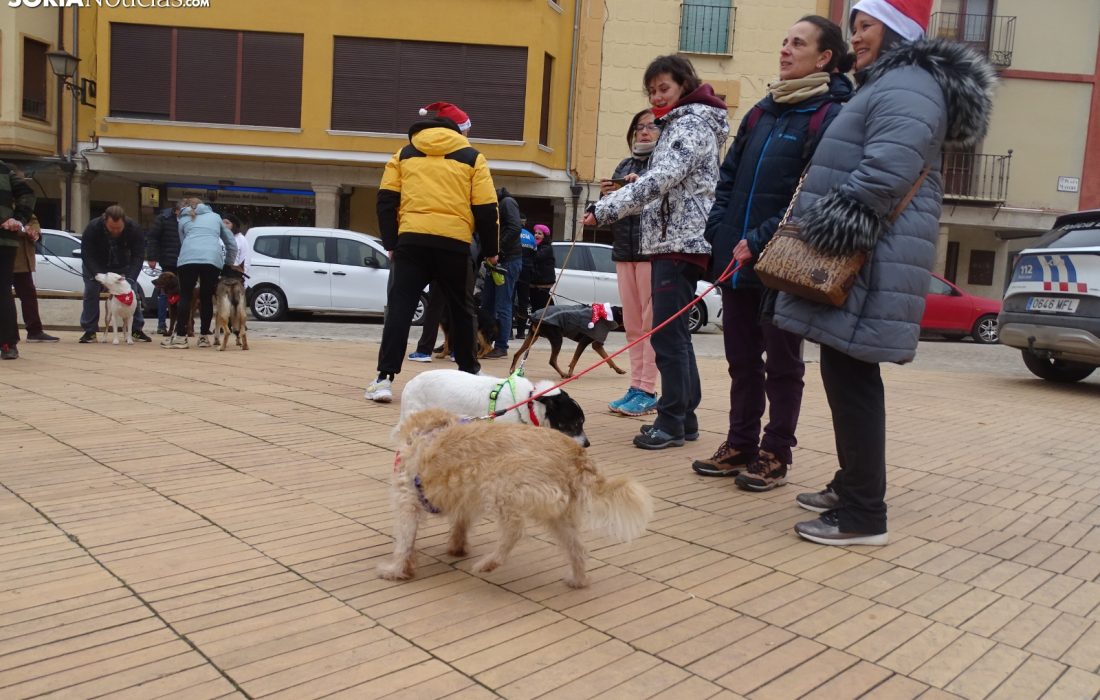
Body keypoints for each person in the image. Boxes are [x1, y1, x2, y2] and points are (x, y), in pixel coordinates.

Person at [771, 0, 995, 545]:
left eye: (866, 26)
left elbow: (888, 168)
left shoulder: (909, 84)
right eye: (855, 27)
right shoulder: (896, 81)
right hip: (874, 253)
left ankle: (864, 515)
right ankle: (851, 488)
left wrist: (828, 226)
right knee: (846, 374)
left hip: (869, 254)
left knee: (854, 382)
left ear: (897, 30)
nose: (857, 38)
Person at [696, 16, 853, 488]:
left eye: (797, 44)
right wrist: (719, 228)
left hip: (783, 262)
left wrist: (760, 238)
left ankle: (775, 453)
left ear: (824, 58)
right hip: (736, 257)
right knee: (741, 360)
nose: (785, 50)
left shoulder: (830, 115)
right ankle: (740, 443)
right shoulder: (761, 112)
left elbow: (815, 193)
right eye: (784, 41)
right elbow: (728, 177)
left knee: (783, 365)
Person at [584, 55, 729, 449]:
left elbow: (662, 178)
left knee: (666, 336)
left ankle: (671, 422)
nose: (657, 96)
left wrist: (606, 209)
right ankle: (686, 417)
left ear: (684, 84)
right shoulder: (681, 124)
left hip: (679, 241)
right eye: (651, 91)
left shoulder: (690, 124)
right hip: (673, 239)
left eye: (663, 88)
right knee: (674, 334)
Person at [365, 101, 498, 402]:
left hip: (411, 240)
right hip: (454, 242)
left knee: (400, 309)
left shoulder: (404, 154)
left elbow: (386, 200)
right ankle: (470, 374)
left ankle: (384, 379)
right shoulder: (473, 157)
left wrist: (390, 242)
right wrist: (491, 250)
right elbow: (487, 208)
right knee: (461, 309)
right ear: (458, 131)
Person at [603, 109, 660, 417]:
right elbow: (614, 209)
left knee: (650, 326)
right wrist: (608, 197)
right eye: (639, 127)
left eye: (651, 126)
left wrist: (633, 190)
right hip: (624, 251)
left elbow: (662, 204)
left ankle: (648, 389)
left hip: (651, 252)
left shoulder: (663, 165)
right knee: (634, 326)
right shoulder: (625, 165)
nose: (644, 132)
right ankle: (636, 385)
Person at [162, 198, 237, 349]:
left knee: (185, 296)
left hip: (188, 259)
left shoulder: (183, 219)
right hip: (212, 259)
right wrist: (228, 263)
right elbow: (231, 243)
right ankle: (203, 337)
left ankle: (181, 338)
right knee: (206, 297)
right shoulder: (215, 217)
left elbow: (184, 241)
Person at [78, 205, 151, 344]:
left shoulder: (134, 229)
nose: (115, 231)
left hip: (121, 264)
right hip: (96, 264)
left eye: (119, 228)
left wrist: (130, 278)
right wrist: (97, 274)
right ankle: (90, 331)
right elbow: (87, 254)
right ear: (105, 221)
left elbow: (138, 256)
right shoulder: (93, 227)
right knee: (91, 291)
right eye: (112, 228)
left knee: (132, 291)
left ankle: (136, 329)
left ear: (124, 221)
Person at [0, 161, 37, 359]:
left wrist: (18, 218)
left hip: (3, 241)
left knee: (2, 293)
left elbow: (28, 193)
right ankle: (8, 343)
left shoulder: (3, 169)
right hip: (5, 240)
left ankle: (7, 343)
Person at [481, 186, 522, 358]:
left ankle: (501, 345)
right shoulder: (501, 204)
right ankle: (485, 343)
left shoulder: (506, 203)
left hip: (507, 261)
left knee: (503, 304)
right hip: (498, 261)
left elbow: (514, 228)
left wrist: (498, 251)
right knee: (487, 304)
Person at [12, 215, 60, 344]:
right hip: (8, 254)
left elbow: (33, 220)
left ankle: (34, 331)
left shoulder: (23, 203)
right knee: (5, 298)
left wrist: (35, 232)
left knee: (29, 296)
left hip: (23, 259)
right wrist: (23, 229)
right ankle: (9, 334)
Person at [146, 201, 183, 335]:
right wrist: (152, 256)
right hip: (169, 259)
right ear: (176, 210)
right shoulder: (163, 218)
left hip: (185, 260)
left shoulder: (189, 219)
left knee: (183, 294)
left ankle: (182, 324)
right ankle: (162, 324)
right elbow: (153, 237)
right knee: (164, 292)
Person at [514, 214, 536, 340]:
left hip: (513, 268)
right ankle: (521, 332)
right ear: (524, 223)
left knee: (509, 299)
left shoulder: (512, 233)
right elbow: (534, 254)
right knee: (523, 301)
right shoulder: (530, 236)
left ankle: (508, 333)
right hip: (526, 271)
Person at [529, 224, 555, 316]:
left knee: (540, 308)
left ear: (545, 236)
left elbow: (536, 257)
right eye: (535, 233)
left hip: (543, 284)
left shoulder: (547, 248)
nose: (536, 235)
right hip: (534, 283)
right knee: (534, 307)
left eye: (539, 233)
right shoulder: (536, 246)